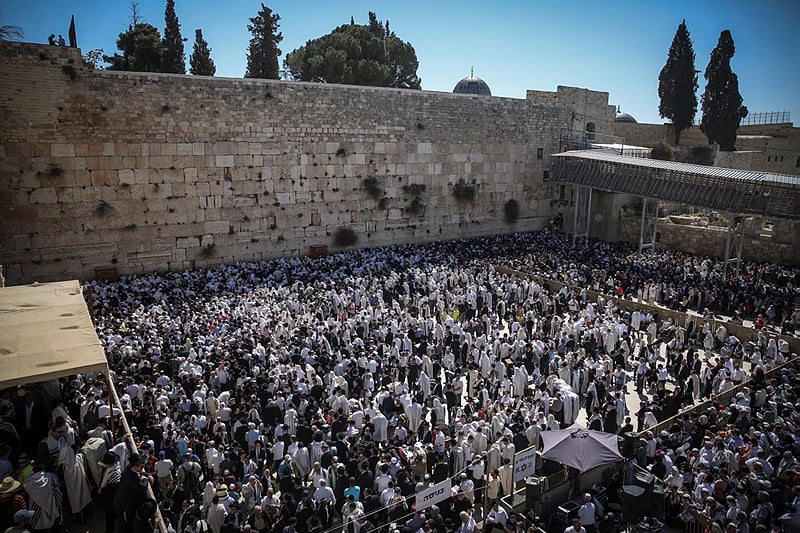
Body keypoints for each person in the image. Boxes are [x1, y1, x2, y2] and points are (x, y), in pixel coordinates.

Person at [113, 453, 153, 533]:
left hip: (128, 503)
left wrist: (148, 474)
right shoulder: (129, 479)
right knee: (125, 524)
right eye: (141, 467)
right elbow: (142, 488)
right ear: (135, 466)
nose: (143, 468)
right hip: (124, 506)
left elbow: (139, 473)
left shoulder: (130, 470)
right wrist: (145, 479)